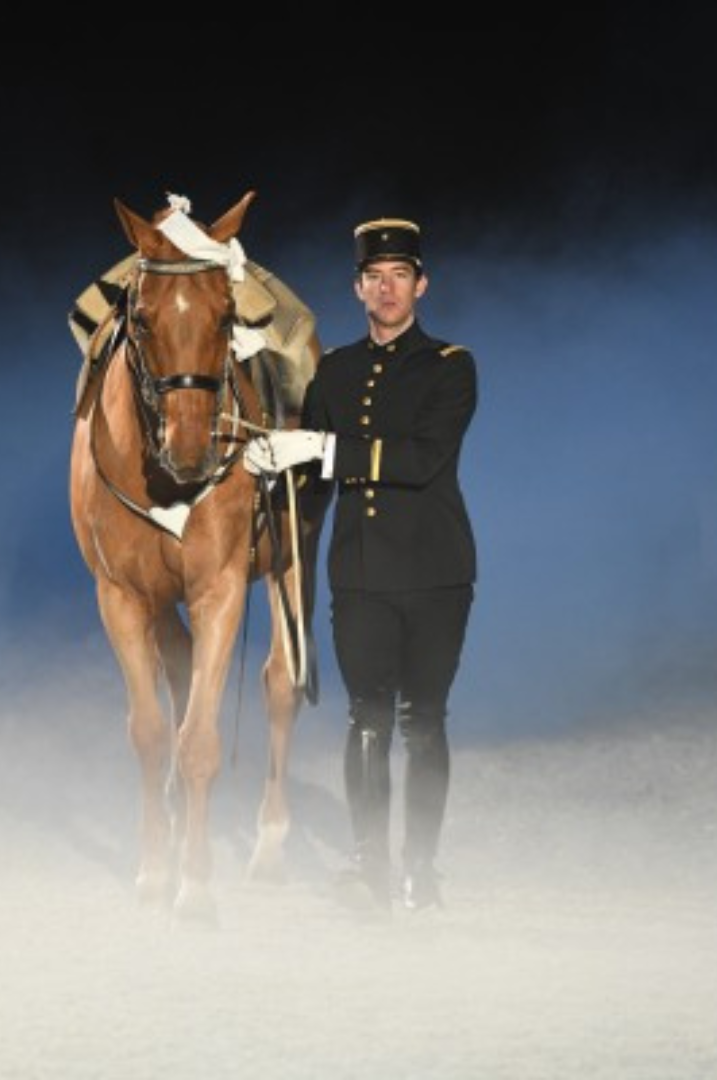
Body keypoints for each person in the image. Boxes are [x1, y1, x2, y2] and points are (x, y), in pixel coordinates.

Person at [244, 217, 478, 912]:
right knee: (367, 719)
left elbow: (419, 460)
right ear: (357, 289)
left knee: (425, 721)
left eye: (399, 276)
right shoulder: (337, 370)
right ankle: (371, 864)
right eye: (374, 278)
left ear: (421, 285)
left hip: (436, 574)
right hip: (361, 575)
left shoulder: (452, 366)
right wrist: (268, 468)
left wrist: (317, 450)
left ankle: (422, 871)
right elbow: (309, 476)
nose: (387, 288)